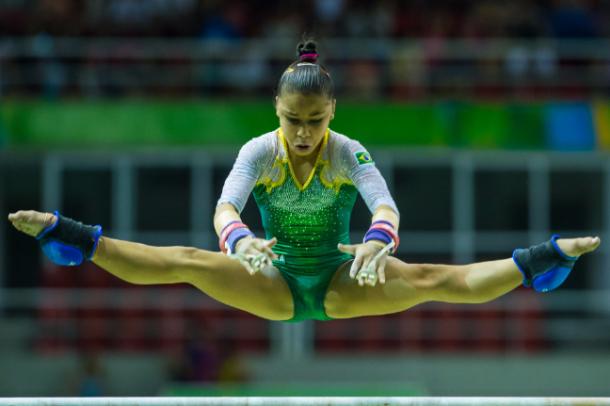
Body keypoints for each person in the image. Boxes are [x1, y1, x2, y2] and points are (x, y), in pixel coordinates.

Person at [8, 39, 601, 323]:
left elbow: (384, 205)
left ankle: (539, 260)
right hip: (272, 281)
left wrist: (377, 241)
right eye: (293, 120)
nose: (302, 133)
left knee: (431, 277)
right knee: (184, 259)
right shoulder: (258, 151)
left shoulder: (348, 153)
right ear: (276, 109)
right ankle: (75, 239)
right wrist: (241, 242)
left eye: (315, 121)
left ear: (333, 112)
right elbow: (223, 208)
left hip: (345, 279)